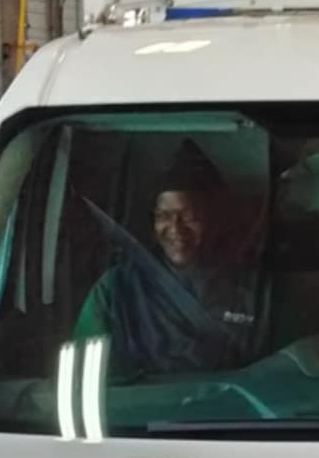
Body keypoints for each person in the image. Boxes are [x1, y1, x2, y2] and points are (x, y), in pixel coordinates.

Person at [75, 151, 261, 378]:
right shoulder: (116, 288)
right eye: (163, 216)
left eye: (190, 216)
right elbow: (89, 373)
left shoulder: (255, 288)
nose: (176, 229)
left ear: (214, 220)